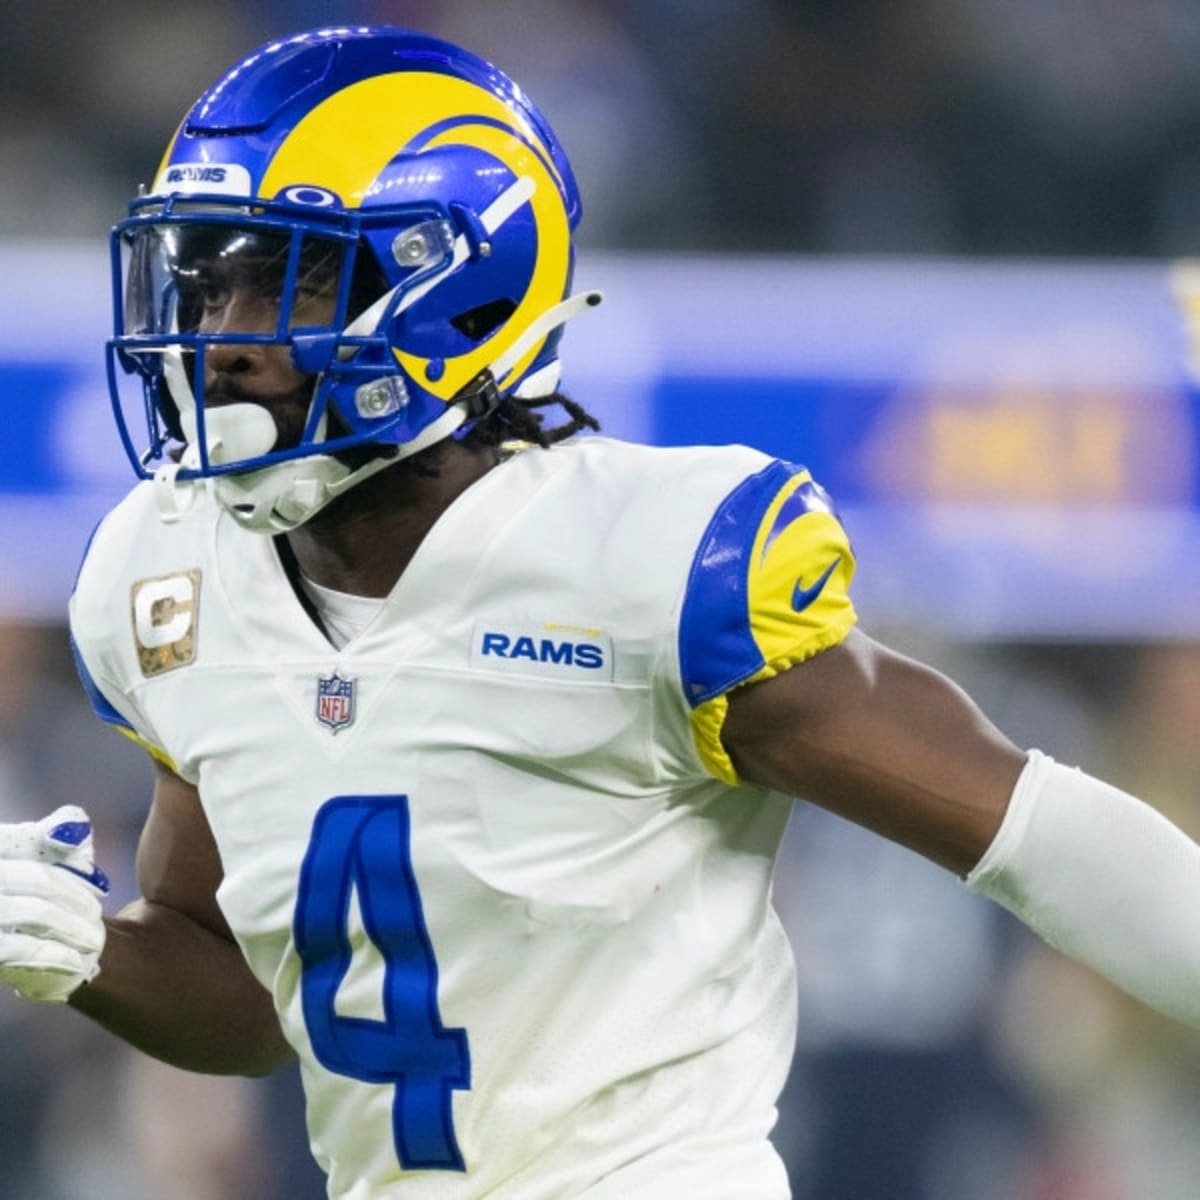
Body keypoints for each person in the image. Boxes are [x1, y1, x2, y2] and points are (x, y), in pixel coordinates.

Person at [0, 24, 1198, 1200]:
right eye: (209, 282)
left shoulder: (647, 564)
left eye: (296, 278)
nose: (224, 343)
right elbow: (251, 999)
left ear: (462, 292)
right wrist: (85, 948)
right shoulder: (163, 572)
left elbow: (1034, 833)